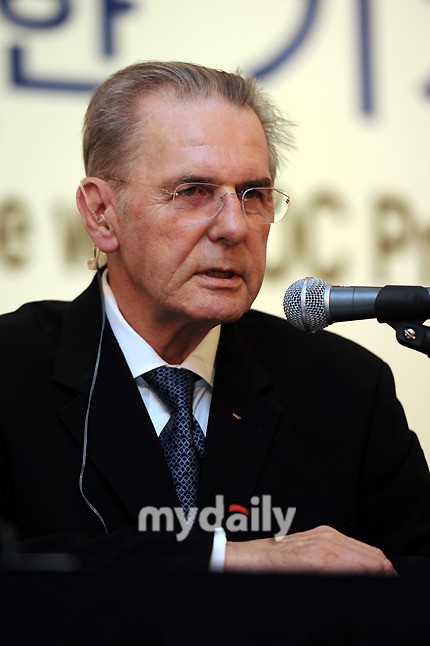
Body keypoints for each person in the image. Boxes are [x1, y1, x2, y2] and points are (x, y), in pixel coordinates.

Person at [1, 61, 430, 577]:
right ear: (101, 214)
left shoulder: (347, 389)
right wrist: (228, 559)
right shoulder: (11, 371)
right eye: (193, 192)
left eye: (254, 195)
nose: (234, 227)